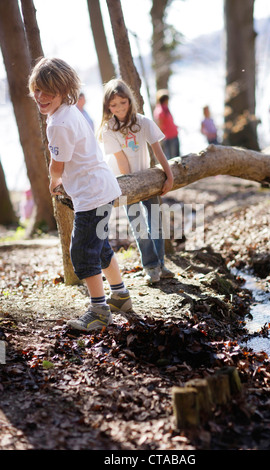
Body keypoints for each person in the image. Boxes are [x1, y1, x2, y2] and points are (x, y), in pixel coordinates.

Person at [28, 57, 132, 332]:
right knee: (99, 246)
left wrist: (53, 181)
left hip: (91, 195)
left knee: (82, 252)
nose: (41, 96)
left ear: (64, 90)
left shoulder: (58, 124)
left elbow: (58, 165)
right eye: (37, 89)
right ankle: (120, 296)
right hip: (101, 188)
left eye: (48, 91)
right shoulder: (69, 111)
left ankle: (99, 311)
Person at [98, 78, 175, 285]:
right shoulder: (109, 129)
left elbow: (158, 151)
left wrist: (169, 175)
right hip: (125, 183)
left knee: (156, 222)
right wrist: (132, 187)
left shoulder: (143, 122)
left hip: (148, 179)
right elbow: (122, 162)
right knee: (138, 225)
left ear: (130, 101)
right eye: (113, 105)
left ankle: (160, 264)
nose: (119, 108)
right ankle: (150, 266)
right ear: (108, 107)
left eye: (123, 103)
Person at [153, 89, 180, 160]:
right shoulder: (160, 110)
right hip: (168, 138)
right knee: (172, 158)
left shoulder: (166, 109)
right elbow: (160, 125)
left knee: (177, 157)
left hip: (174, 135)